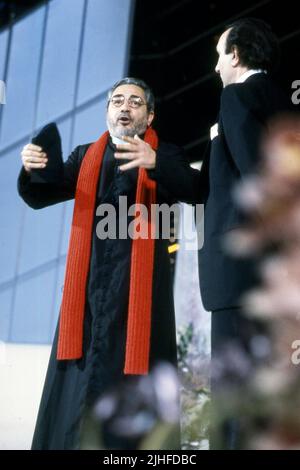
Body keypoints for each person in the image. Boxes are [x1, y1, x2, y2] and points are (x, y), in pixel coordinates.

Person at [118, 19, 292, 449]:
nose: (215, 67)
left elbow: (257, 181)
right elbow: (212, 188)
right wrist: (158, 162)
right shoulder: (282, 103)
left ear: (235, 55)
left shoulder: (237, 97)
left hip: (239, 274)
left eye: (218, 55)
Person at [18, 77, 181, 450]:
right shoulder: (84, 157)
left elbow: (192, 186)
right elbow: (41, 193)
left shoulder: (163, 157)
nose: (125, 107)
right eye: (117, 101)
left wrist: (157, 165)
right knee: (73, 405)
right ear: (108, 110)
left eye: (135, 102)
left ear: (150, 114)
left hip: (137, 305)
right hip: (86, 302)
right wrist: (33, 168)